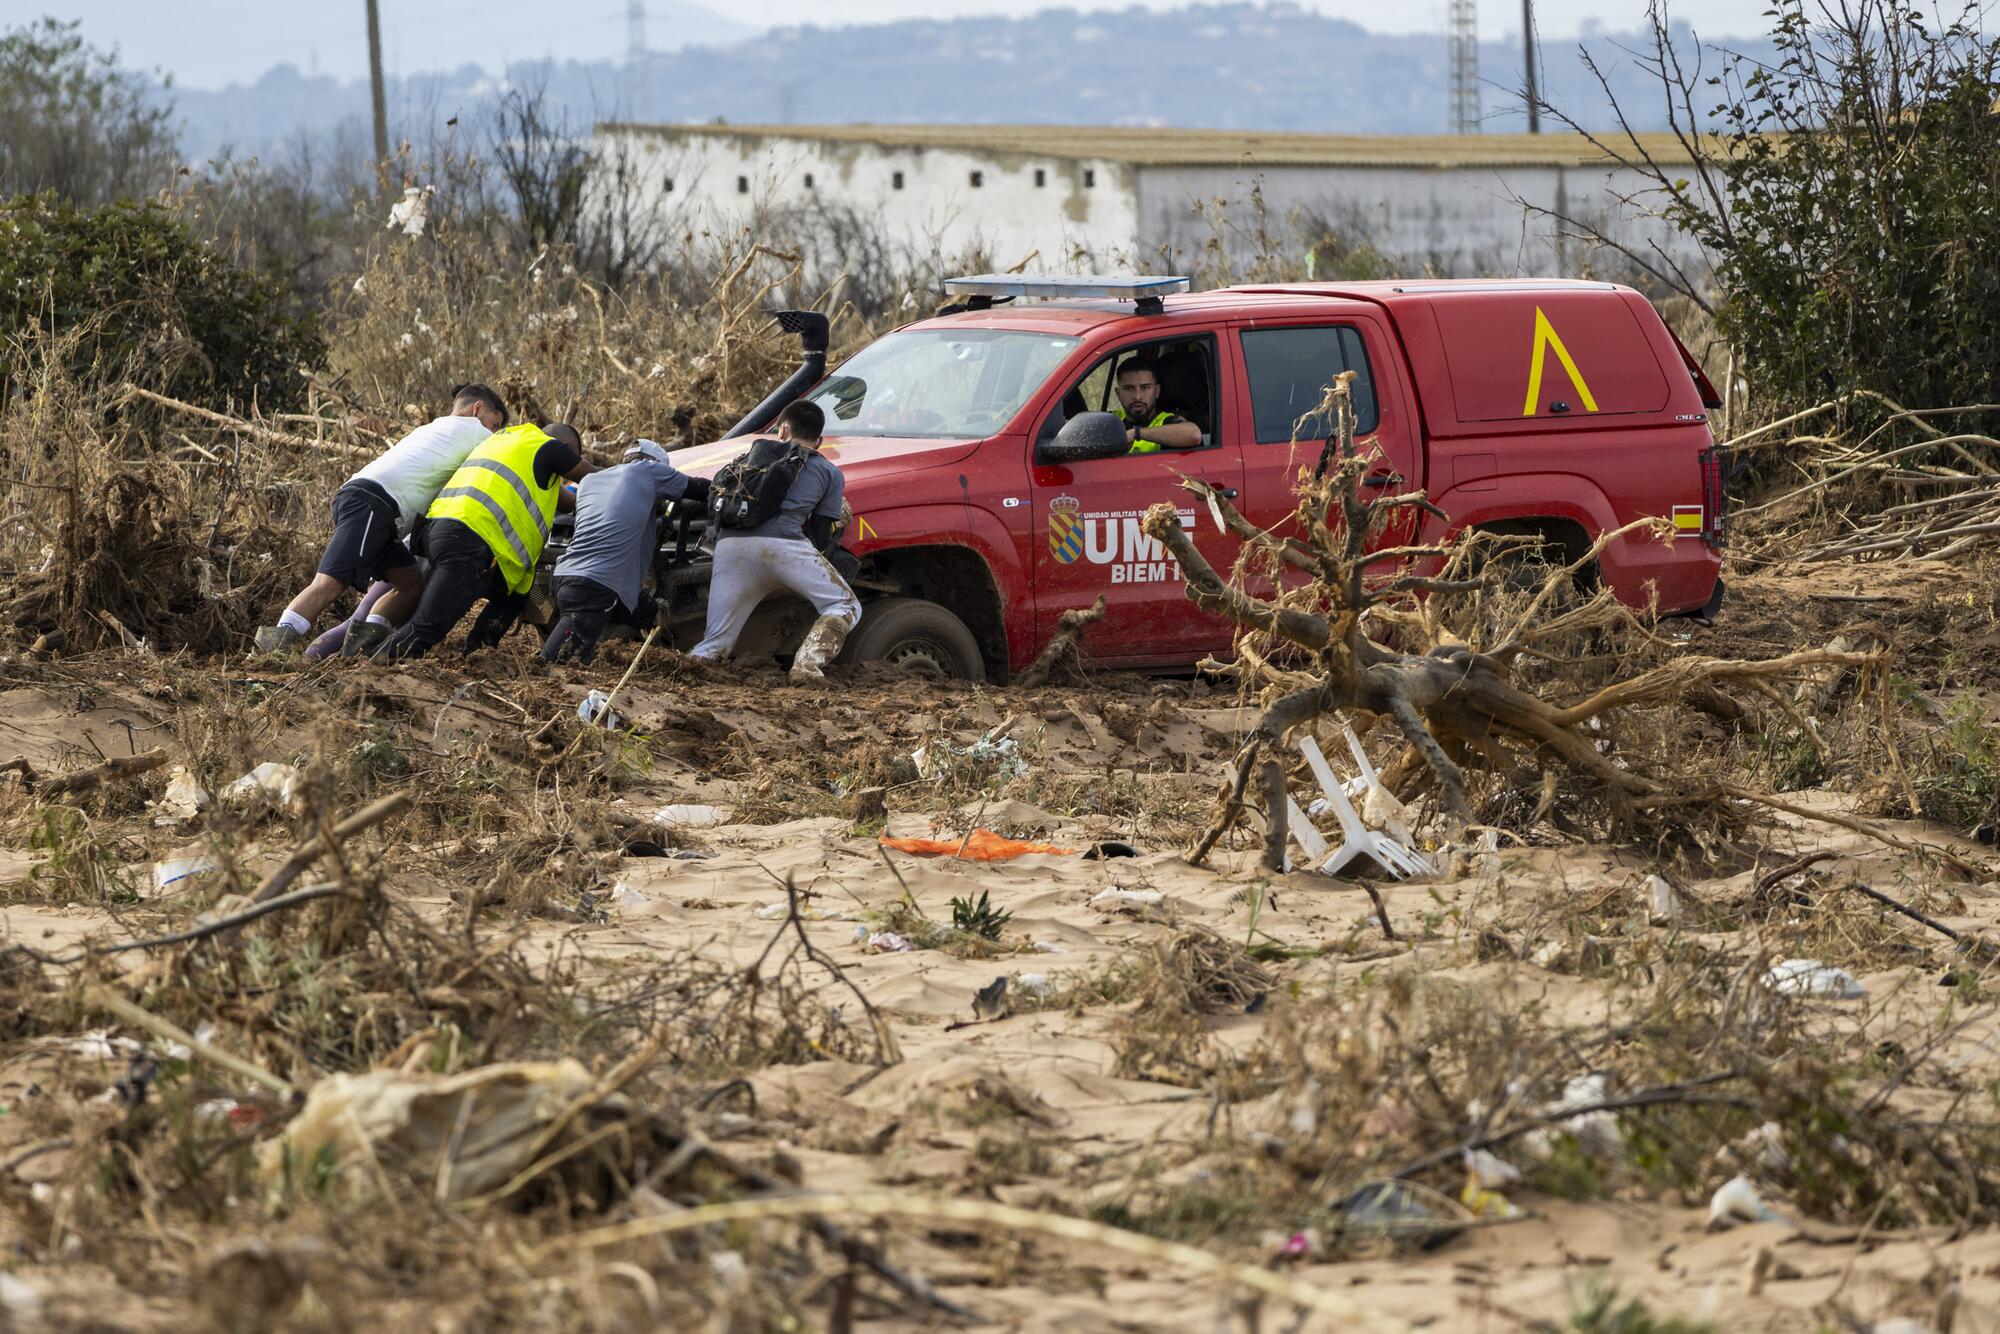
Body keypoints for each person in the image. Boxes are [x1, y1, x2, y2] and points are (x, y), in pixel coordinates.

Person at [252, 383, 508, 657]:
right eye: (494, 424)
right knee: (329, 583)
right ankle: (267, 653)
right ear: (477, 409)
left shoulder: (434, 428)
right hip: (373, 502)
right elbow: (507, 454)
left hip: (378, 509)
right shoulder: (475, 432)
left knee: (410, 584)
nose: (493, 432)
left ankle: (361, 649)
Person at [373, 422, 595, 661]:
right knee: (427, 628)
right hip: (469, 542)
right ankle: (369, 674)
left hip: (443, 531)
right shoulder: (549, 447)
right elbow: (597, 476)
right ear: (566, 449)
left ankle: (479, 650)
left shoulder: (506, 440)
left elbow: (565, 501)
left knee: (514, 597)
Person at [690, 400, 860, 681]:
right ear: (818, 441)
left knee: (716, 641)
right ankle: (806, 668)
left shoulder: (747, 462)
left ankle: (679, 676)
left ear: (781, 431)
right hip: (783, 547)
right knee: (845, 605)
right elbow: (819, 536)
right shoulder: (828, 471)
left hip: (729, 548)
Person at [540, 440, 709, 665]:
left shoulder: (592, 481)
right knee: (563, 660)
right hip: (596, 585)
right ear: (656, 464)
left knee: (644, 611)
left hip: (564, 576)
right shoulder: (648, 471)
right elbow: (700, 489)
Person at [1112, 358, 1202, 453]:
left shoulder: (1167, 421)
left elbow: (1194, 435)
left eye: (1145, 387)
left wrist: (1136, 433)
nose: (1137, 397)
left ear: (1157, 391)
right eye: (1129, 388)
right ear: (1118, 393)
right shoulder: (1111, 420)